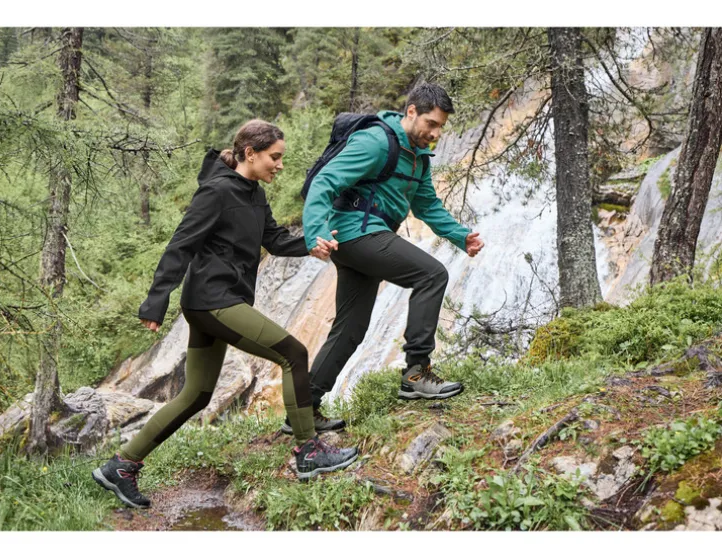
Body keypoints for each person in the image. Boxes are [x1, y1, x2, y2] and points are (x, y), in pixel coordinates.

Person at [93, 120, 358, 509]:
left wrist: (311, 245)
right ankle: (309, 451)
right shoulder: (217, 191)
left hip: (218, 301)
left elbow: (274, 240)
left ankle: (121, 465)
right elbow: (181, 245)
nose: (280, 165)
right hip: (212, 301)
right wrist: (156, 301)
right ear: (250, 153)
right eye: (274, 157)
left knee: (197, 395)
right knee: (293, 353)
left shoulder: (254, 194)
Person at [281, 84, 484, 436]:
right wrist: (315, 233)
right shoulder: (375, 141)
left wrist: (459, 235)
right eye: (431, 124)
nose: (435, 134)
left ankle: (303, 410)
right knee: (432, 275)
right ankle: (416, 373)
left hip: (365, 238)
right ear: (411, 112)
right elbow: (325, 182)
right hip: (356, 233)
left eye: (440, 127)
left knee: (350, 329)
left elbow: (426, 204)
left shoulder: (418, 156)